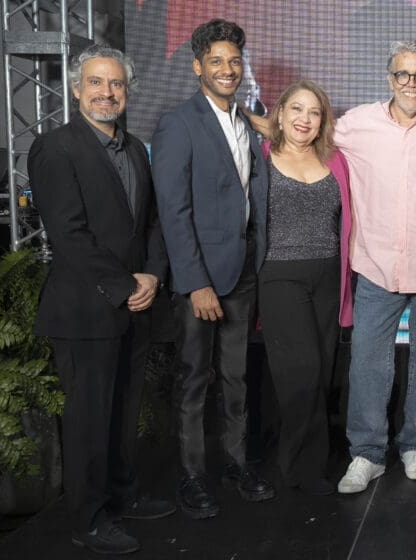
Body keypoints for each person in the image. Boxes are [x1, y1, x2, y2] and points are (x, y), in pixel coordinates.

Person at [29, 44, 174, 554]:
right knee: (89, 420)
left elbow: (151, 222)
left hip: (134, 306)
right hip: (86, 311)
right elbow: (68, 235)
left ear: (127, 91)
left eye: (116, 84)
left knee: (124, 411)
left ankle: (122, 495)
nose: (106, 93)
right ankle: (88, 519)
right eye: (96, 82)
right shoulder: (55, 148)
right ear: (76, 89)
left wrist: (153, 275)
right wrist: (126, 286)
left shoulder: (134, 149)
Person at [329, 41, 416, 495]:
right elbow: (301, 130)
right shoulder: (356, 124)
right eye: (403, 74)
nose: (411, 83)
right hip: (376, 263)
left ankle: (415, 444)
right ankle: (367, 454)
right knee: (368, 360)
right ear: (389, 79)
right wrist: (249, 120)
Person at [152, 18, 274, 520]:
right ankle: (192, 476)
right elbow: (173, 211)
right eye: (217, 61)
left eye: (235, 60)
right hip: (200, 278)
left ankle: (236, 464)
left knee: (237, 376)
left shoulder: (246, 121)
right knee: (193, 381)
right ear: (197, 66)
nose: (228, 69)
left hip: (243, 270)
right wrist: (195, 282)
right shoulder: (178, 124)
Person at [257, 81, 353, 497]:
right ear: (279, 114)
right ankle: (298, 466)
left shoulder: (336, 160)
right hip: (280, 275)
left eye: (314, 112)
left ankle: (307, 462)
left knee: (323, 371)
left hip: (329, 275)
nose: (305, 119)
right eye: (296, 109)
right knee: (302, 371)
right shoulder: (261, 157)